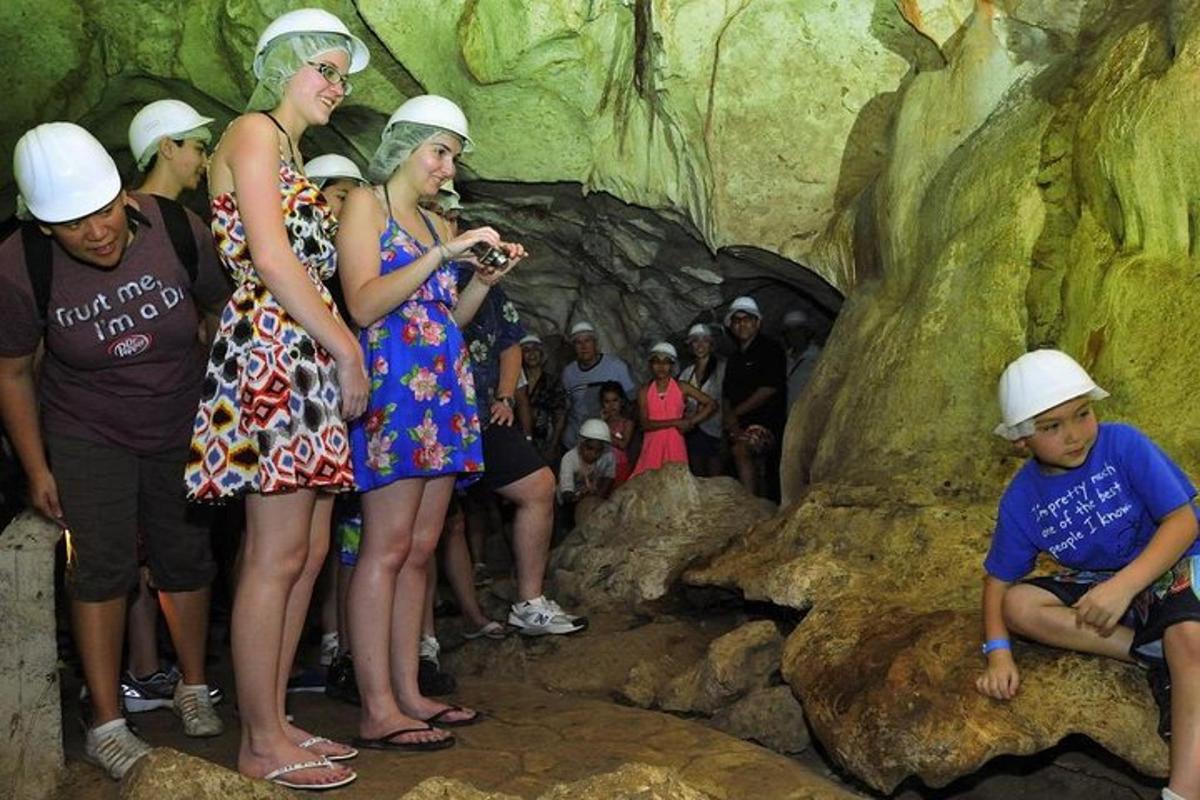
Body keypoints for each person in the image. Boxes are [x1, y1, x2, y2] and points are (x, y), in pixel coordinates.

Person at [1, 122, 228, 779]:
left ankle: (190, 685)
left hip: (180, 420)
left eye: (103, 212)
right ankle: (106, 721)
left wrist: (228, 412)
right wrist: (37, 465)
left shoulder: (177, 230)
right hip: (86, 431)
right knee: (100, 566)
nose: (95, 233)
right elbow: (12, 371)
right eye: (72, 224)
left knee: (186, 554)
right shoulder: (20, 269)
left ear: (124, 194)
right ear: (44, 227)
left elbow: (224, 308)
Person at [184, 8, 371, 790]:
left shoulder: (289, 147)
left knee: (309, 549)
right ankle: (259, 739)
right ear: (280, 65)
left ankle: (276, 717)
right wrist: (348, 347)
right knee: (274, 552)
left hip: (302, 348)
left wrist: (330, 349)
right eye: (323, 68)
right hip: (275, 347)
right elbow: (269, 256)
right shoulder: (255, 132)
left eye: (342, 73)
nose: (336, 84)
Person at [337, 94, 520, 751]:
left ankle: (411, 690)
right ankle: (376, 705)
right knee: (384, 549)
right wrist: (442, 259)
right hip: (393, 394)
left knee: (418, 550)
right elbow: (362, 304)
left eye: (453, 156)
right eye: (439, 151)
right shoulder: (368, 205)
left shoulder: (440, 227)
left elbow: (451, 318)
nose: (448, 166)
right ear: (406, 144)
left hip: (443, 392)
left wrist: (484, 280)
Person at [976, 350, 1200, 800]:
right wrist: (998, 652)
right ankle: (1149, 656)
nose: (1075, 434)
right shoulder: (1022, 500)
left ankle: (1183, 793)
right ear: (1021, 440)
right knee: (1018, 604)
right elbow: (997, 581)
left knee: (1188, 639)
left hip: (1175, 559)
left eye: (1082, 414)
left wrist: (1124, 586)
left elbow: (1184, 521)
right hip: (1108, 584)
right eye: (1052, 426)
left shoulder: (1123, 445)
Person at [120, 98, 220, 712]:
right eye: (198, 147)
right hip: (143, 420)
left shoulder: (184, 228)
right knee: (157, 552)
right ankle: (171, 678)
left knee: (140, 552)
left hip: (153, 419)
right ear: (167, 148)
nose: (205, 162)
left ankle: (149, 673)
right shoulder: (173, 226)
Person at [455, 252, 586, 637]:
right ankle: (426, 634)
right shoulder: (418, 270)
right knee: (436, 526)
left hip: (483, 412)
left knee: (538, 485)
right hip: (436, 414)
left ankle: (529, 603)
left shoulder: (484, 279)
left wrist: (506, 396)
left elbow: (509, 342)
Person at [721, 296, 786, 501]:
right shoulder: (734, 359)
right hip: (740, 425)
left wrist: (734, 414)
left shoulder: (771, 349)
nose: (742, 324)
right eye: (737, 320)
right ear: (731, 326)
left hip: (767, 423)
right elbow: (726, 395)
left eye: (747, 319)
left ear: (757, 322)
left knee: (743, 451)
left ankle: (750, 506)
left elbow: (768, 389)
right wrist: (731, 423)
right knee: (730, 456)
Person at [631, 342, 714, 479]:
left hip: (675, 445)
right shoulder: (644, 391)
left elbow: (711, 404)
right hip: (652, 448)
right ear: (651, 365)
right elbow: (645, 424)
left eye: (666, 362)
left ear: (672, 365)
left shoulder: (682, 387)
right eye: (657, 362)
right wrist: (677, 422)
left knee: (677, 486)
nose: (661, 366)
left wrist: (691, 421)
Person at [560, 320, 636, 450]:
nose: (584, 347)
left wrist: (625, 434)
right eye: (578, 342)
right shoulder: (568, 373)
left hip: (608, 443)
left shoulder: (616, 367)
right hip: (576, 442)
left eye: (587, 341)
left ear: (595, 343)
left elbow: (633, 402)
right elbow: (565, 410)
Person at [128, 99, 214, 201]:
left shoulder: (132, 210)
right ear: (167, 148)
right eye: (199, 150)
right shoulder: (129, 213)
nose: (205, 162)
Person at [678, 323, 725, 477]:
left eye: (704, 340)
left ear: (711, 344)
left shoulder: (722, 369)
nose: (700, 345)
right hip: (694, 433)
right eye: (695, 341)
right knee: (698, 477)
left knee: (715, 480)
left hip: (717, 430)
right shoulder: (687, 373)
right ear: (690, 345)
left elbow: (726, 400)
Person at [519, 333, 567, 467]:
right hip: (520, 441)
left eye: (535, 349)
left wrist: (553, 446)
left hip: (545, 442)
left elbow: (560, 416)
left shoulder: (553, 382)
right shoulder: (516, 382)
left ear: (541, 354)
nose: (531, 354)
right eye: (526, 350)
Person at [557, 418, 616, 526]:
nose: (594, 454)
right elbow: (566, 491)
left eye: (598, 451)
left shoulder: (608, 457)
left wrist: (596, 498)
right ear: (581, 444)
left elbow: (609, 478)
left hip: (592, 501)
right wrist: (578, 498)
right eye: (589, 448)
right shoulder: (569, 459)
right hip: (568, 504)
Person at [782, 309, 821, 407]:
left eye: (798, 330)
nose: (794, 334)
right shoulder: (782, 360)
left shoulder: (820, 358)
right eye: (790, 331)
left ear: (807, 332)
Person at [598, 380, 634, 487]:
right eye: (607, 401)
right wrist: (602, 423)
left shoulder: (627, 423)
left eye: (615, 400)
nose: (611, 405)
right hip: (602, 467)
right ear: (602, 403)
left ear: (621, 401)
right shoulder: (600, 423)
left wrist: (603, 430)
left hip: (620, 467)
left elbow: (623, 444)